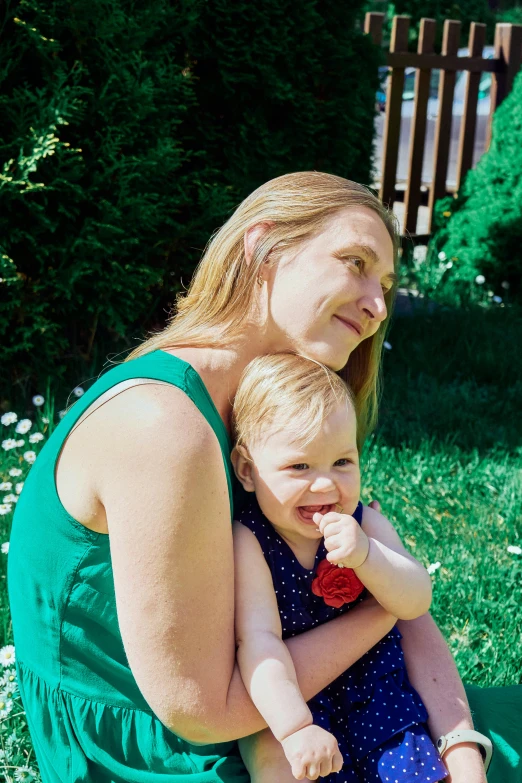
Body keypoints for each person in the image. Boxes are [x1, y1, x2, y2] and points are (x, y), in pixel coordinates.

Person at [8, 172, 486, 783]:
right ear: (263, 247)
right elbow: (205, 712)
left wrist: (461, 746)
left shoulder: (274, 411)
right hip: (161, 752)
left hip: (307, 709)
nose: (377, 306)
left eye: (387, 285)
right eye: (355, 263)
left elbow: (389, 586)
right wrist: (382, 612)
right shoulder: (165, 424)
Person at [231, 353, 447, 782]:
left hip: (376, 690)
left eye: (342, 462)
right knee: (281, 767)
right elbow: (259, 643)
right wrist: (295, 728)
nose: (326, 484)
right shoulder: (249, 542)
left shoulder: (365, 524)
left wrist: (368, 556)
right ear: (247, 470)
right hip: (294, 697)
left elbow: (416, 599)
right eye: (299, 466)